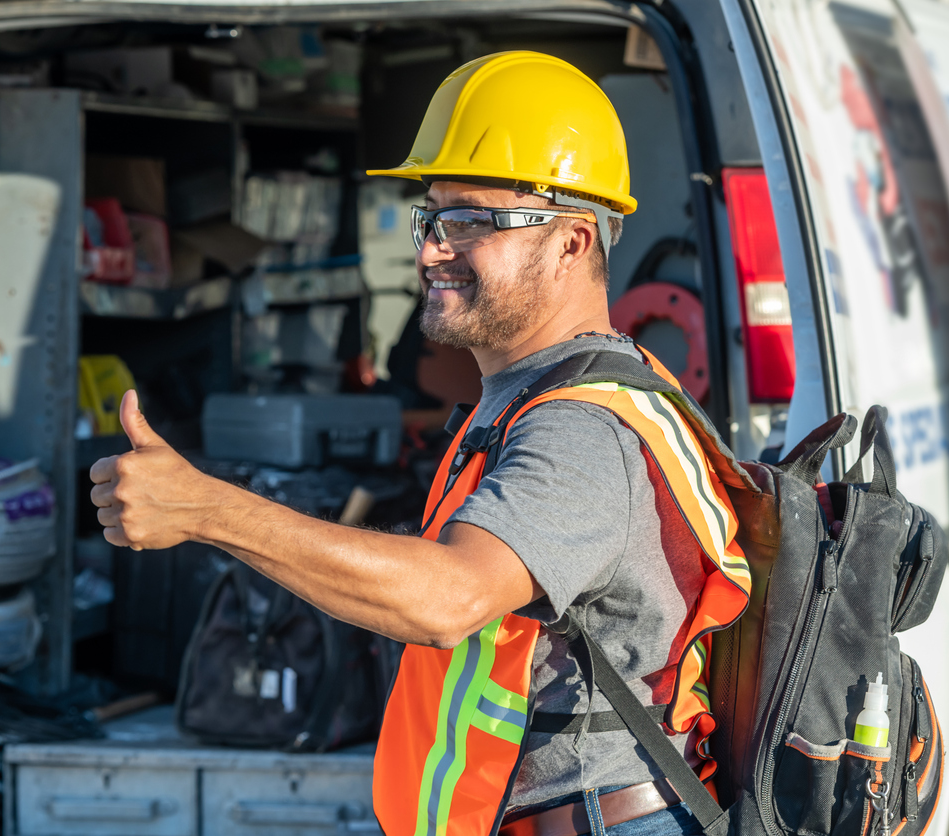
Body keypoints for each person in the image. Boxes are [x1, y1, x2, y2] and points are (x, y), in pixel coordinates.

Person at [89, 51, 749, 836]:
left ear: (574, 242)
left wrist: (208, 510)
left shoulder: (581, 429)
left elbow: (447, 598)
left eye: (471, 221)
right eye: (430, 217)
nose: (432, 249)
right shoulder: (531, 396)